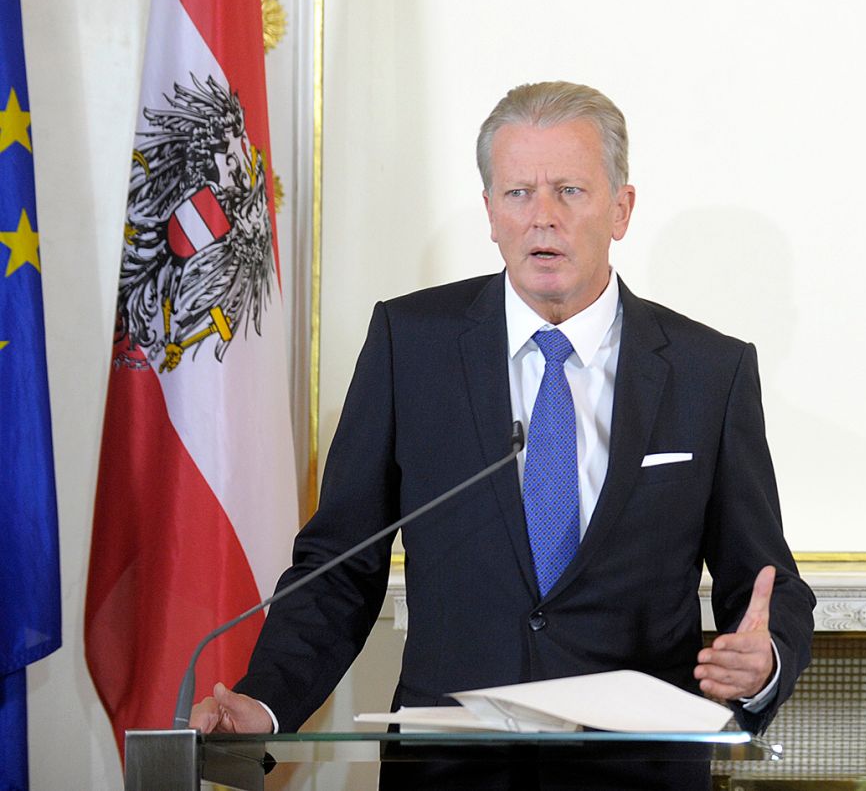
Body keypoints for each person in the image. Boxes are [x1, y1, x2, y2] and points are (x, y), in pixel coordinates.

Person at [190, 81, 816, 790]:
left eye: (570, 191)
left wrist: (763, 665)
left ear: (622, 209)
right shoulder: (410, 345)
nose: (541, 218)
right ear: (490, 212)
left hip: (634, 773)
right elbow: (342, 564)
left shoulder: (710, 370)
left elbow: (765, 579)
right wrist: (267, 701)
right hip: (450, 771)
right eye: (518, 193)